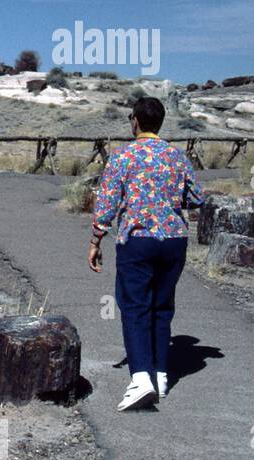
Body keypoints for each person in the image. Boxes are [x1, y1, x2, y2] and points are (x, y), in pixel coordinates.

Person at [88, 96, 205, 411]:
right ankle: (161, 375)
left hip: (138, 239)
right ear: (161, 123)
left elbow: (108, 201)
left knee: (135, 306)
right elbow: (196, 197)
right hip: (173, 240)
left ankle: (141, 379)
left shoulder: (123, 155)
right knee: (162, 306)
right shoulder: (176, 156)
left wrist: (96, 238)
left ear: (135, 121)